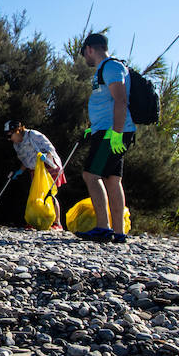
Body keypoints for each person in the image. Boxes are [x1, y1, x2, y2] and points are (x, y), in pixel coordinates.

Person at [76, 32, 134, 243]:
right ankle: (119, 232)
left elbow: (121, 100)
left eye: (84, 53)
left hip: (112, 132)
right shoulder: (110, 68)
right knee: (112, 178)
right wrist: (93, 128)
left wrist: (116, 134)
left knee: (91, 175)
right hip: (108, 130)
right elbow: (108, 102)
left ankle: (103, 227)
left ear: (90, 49)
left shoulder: (110, 67)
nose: (85, 58)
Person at [3, 121, 65, 229]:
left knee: (49, 193)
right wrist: (19, 171)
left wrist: (45, 157)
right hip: (35, 170)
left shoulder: (33, 135)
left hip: (48, 166)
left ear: (17, 131)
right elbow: (25, 160)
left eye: (10, 135)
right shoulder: (16, 145)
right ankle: (36, 221)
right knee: (35, 194)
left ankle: (57, 223)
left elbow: (50, 149)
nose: (9, 139)